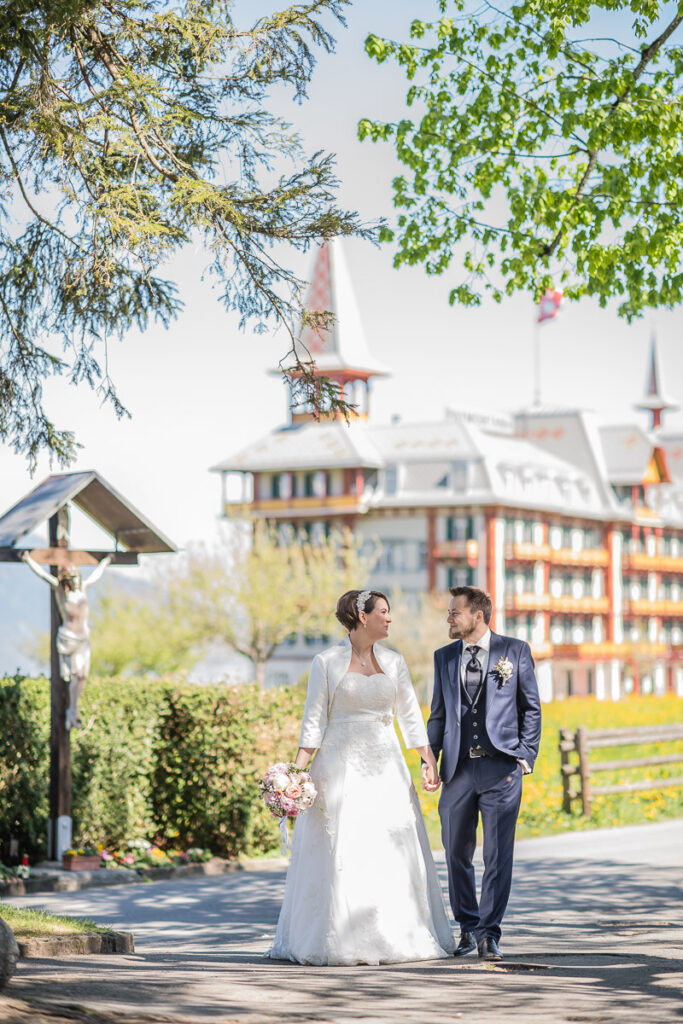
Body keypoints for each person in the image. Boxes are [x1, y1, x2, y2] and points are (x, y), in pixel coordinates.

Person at [267, 589, 455, 966]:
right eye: (383, 612)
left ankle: (396, 932)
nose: (390, 619)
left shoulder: (394, 661)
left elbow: (410, 716)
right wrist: (293, 777)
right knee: (345, 848)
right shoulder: (326, 662)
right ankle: (336, 935)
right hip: (340, 767)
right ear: (360, 615)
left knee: (390, 843)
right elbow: (313, 723)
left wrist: (426, 758)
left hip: (386, 765)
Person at [426, 586, 541, 961]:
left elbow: (531, 708)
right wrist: (430, 760)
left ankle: (489, 934)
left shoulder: (515, 650)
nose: (448, 618)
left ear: (477, 615)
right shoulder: (443, 657)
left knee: (497, 855)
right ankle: (468, 927)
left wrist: (525, 756)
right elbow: (439, 715)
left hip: (501, 769)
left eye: (454, 612)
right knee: (456, 852)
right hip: (458, 770)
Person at [21, 551, 112, 730]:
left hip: (83, 638)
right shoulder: (60, 591)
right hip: (69, 639)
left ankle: (73, 710)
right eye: (72, 577)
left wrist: (105, 563)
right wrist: (29, 560)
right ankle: (72, 711)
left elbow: (95, 576)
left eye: (76, 577)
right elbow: (42, 575)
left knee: (83, 676)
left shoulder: (83, 589)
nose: (75, 581)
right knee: (73, 676)